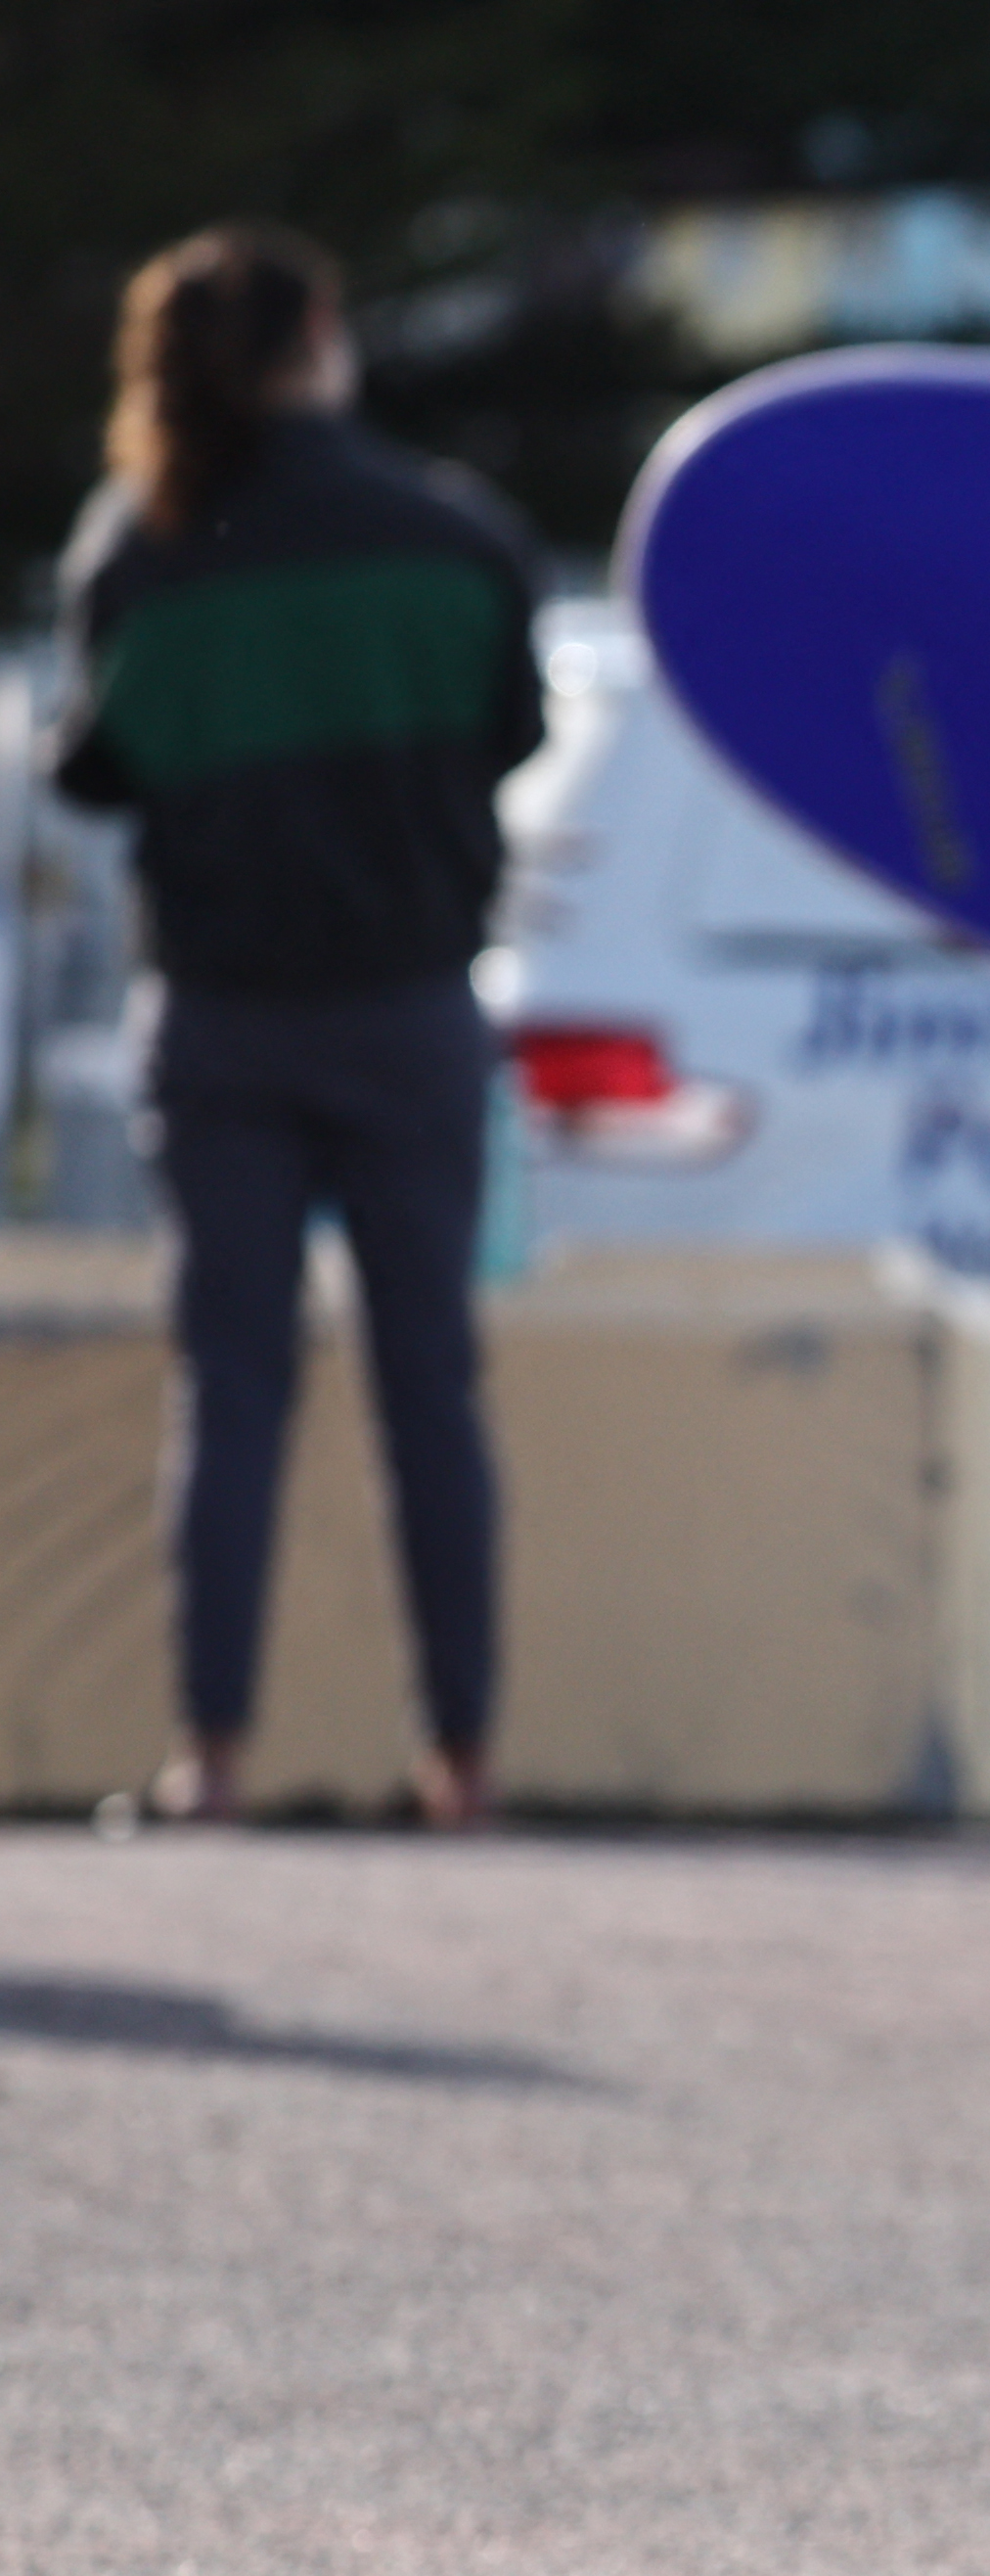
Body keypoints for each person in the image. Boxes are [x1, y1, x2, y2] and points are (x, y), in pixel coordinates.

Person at [46, 225, 542, 1829]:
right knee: (430, 1395)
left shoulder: (138, 546)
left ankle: (213, 1758)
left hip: (220, 1021)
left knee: (233, 1390)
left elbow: (97, 769)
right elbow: (512, 731)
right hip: (408, 1011)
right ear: (324, 335)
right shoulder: (450, 535)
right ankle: (458, 1758)